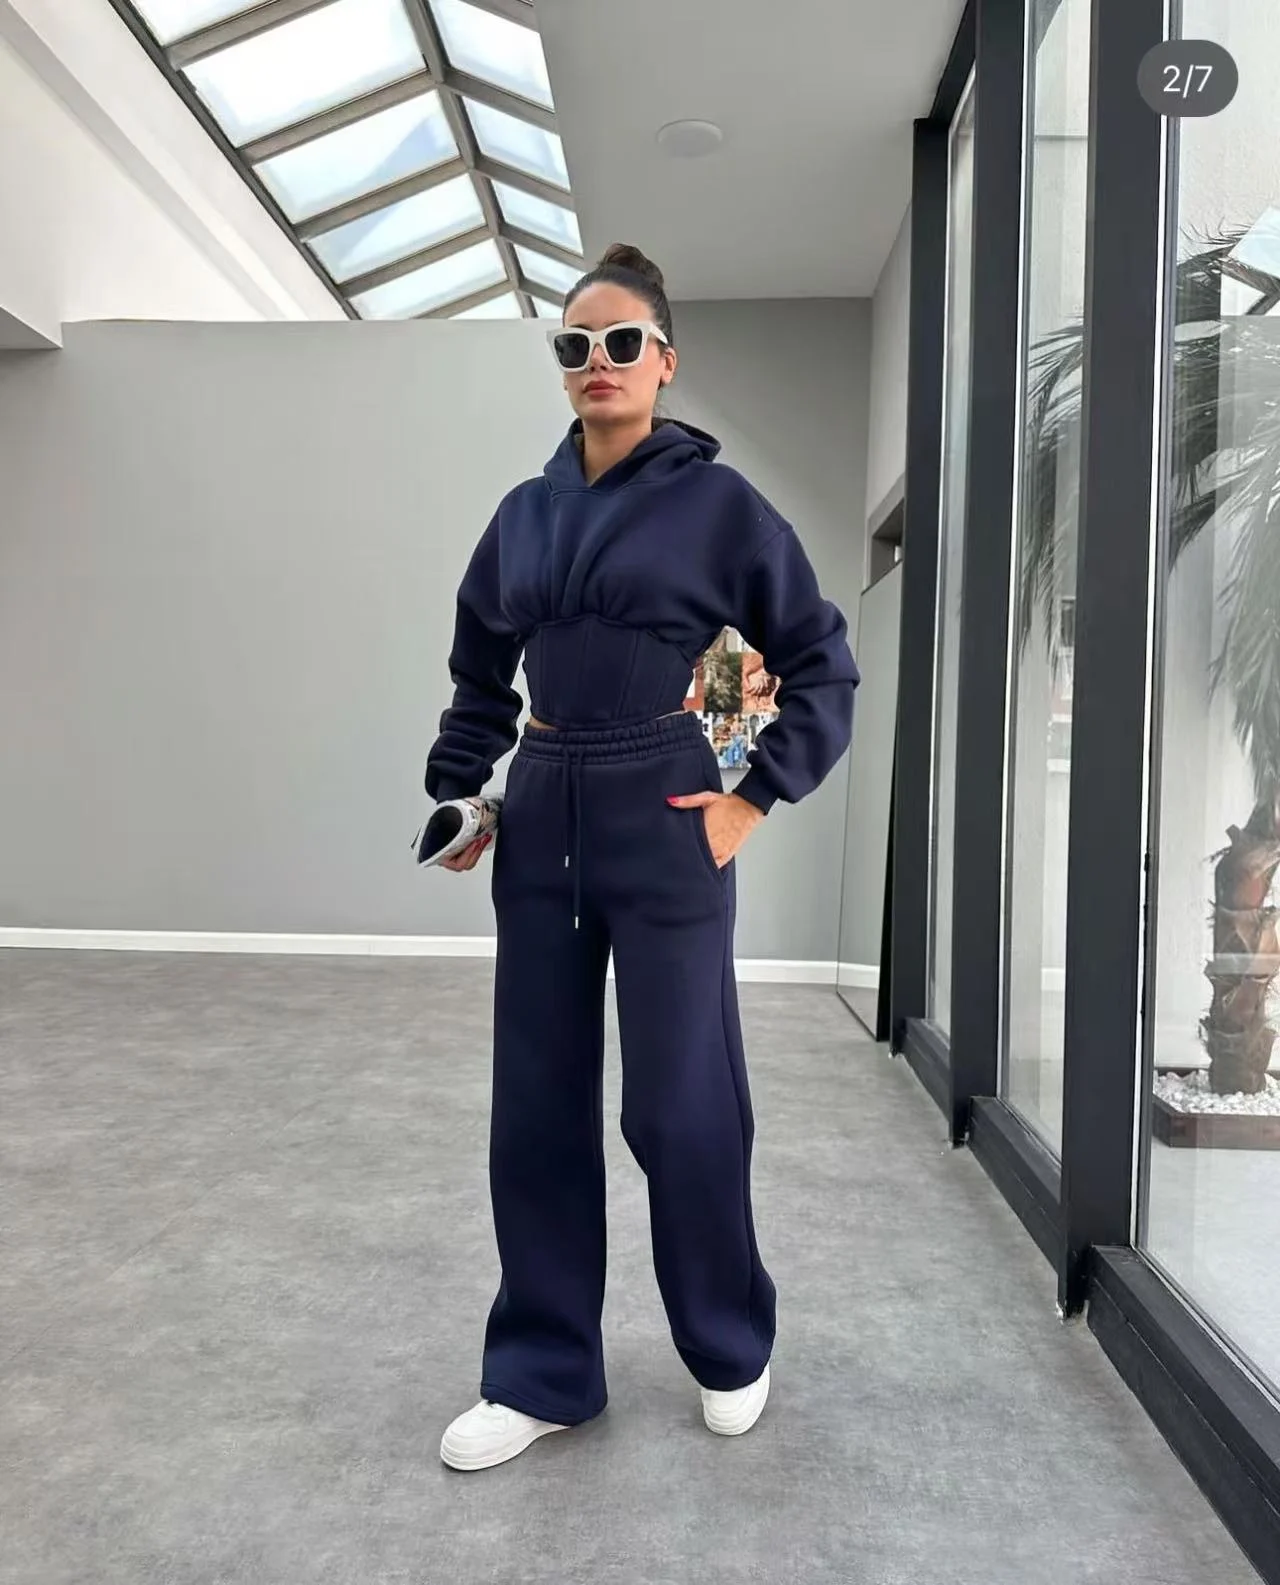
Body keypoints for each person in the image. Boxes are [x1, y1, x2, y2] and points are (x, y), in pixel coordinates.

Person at [424, 243, 859, 1473]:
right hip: (541, 808)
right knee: (534, 1102)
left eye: (621, 342)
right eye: (575, 345)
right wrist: (459, 790)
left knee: (678, 1099)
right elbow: (478, 676)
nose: (597, 362)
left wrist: (746, 801)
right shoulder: (521, 516)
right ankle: (543, 1373)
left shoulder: (721, 508)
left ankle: (728, 1340)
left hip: (664, 808)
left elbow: (819, 665)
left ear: (664, 360)